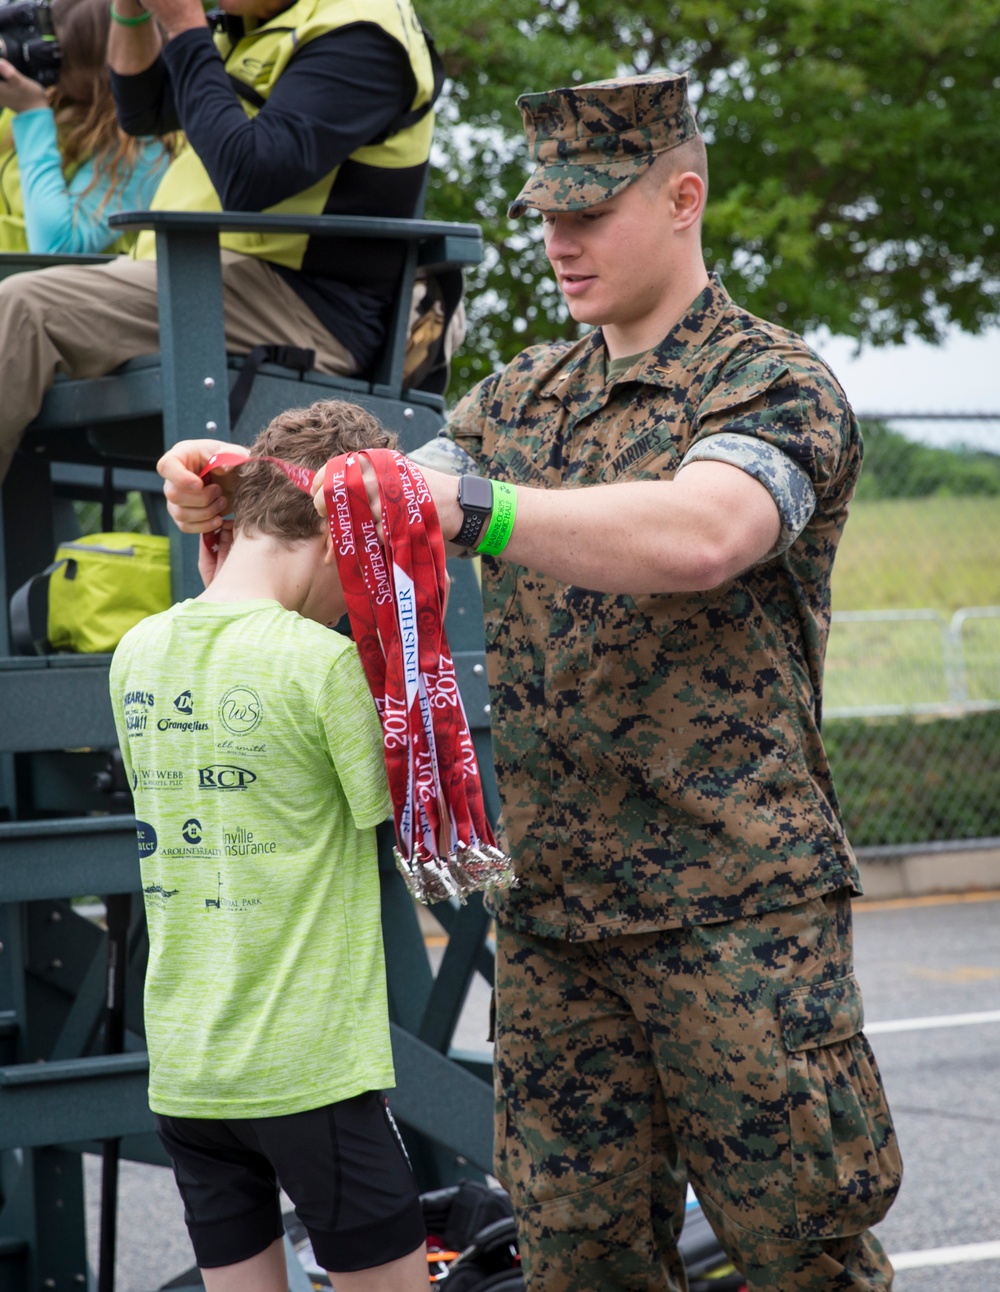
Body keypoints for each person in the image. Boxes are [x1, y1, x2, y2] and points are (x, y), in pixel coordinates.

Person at [157, 73, 903, 1292]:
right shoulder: (517, 400)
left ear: (681, 196)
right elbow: (361, 513)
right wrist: (230, 495)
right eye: (545, 213)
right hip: (556, 918)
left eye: (590, 210)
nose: (558, 241)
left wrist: (477, 505)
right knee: (576, 1261)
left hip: (735, 911)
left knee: (800, 1253)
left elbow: (704, 532)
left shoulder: (770, 382)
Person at [109, 400, 428, 1292]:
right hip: (307, 1070)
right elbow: (407, 825)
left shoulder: (135, 652)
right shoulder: (321, 663)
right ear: (342, 539)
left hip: (188, 1072)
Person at [0, 0, 440, 482]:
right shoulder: (255, 21)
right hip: (200, 276)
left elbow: (249, 179)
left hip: (301, 306)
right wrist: (132, 10)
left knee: (23, 307)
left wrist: (184, 22)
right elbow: (143, 110)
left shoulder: (362, 35)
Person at [0, 0, 171, 254]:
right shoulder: (42, 98)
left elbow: (56, 248)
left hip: (45, 289)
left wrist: (32, 115)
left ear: (100, 69)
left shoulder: (143, 149)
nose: (44, 59)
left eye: (58, 54)